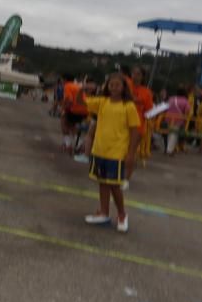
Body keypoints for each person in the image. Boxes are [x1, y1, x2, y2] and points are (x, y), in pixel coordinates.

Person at [80, 73, 141, 233]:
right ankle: (104, 213)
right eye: (111, 85)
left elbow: (135, 131)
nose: (114, 87)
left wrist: (131, 153)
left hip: (117, 152)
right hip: (100, 150)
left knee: (114, 186)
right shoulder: (102, 102)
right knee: (102, 182)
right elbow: (82, 101)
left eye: (117, 85)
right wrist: (84, 87)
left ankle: (122, 214)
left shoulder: (128, 106)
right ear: (106, 86)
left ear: (123, 88)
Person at [60, 74, 88, 155]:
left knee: (64, 123)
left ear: (65, 80)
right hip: (84, 109)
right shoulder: (76, 86)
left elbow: (69, 100)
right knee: (73, 126)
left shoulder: (67, 86)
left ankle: (69, 144)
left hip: (75, 109)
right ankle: (78, 144)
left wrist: (63, 109)